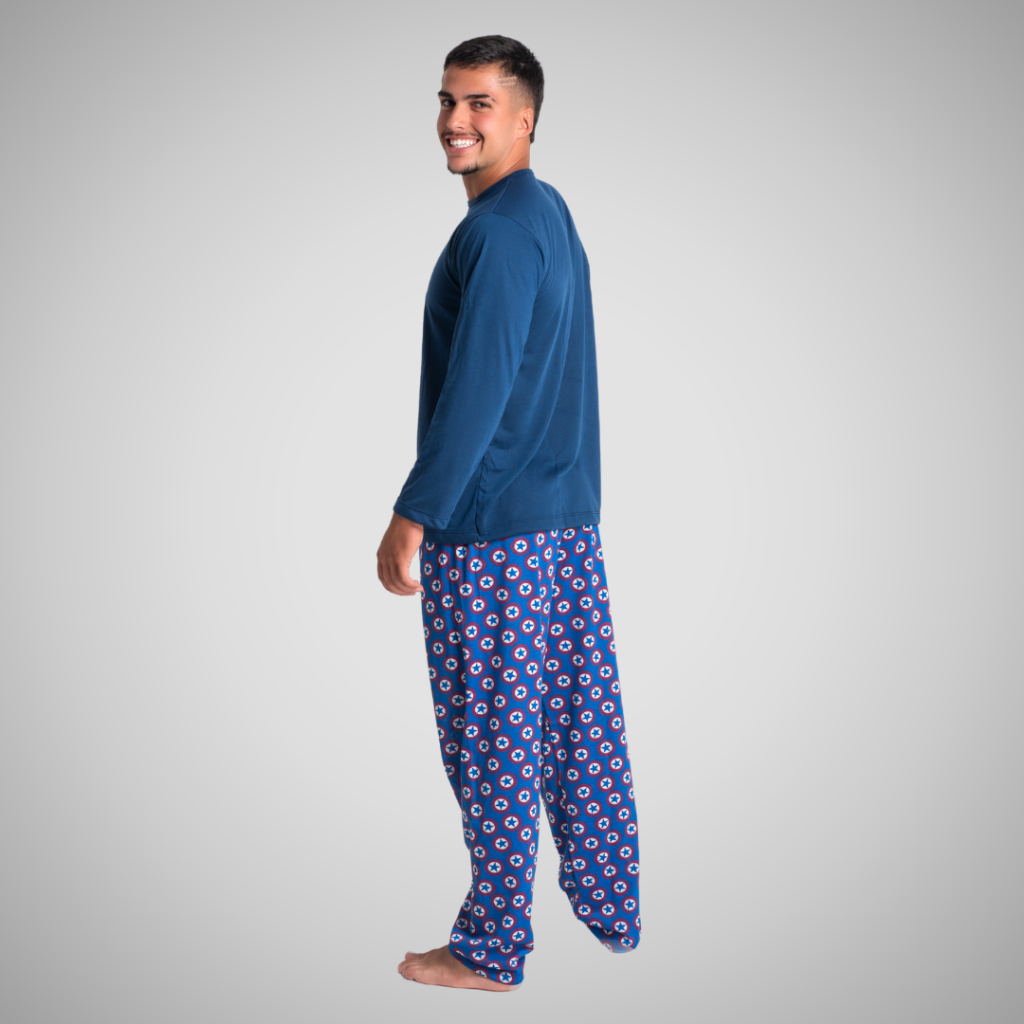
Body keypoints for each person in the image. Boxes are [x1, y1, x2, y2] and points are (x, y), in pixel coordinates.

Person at [376, 35, 641, 992]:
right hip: (563, 526)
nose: (455, 120)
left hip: (490, 534)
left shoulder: (495, 232)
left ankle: (491, 949)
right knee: (577, 729)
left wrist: (415, 513)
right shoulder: (545, 212)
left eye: (479, 104)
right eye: (447, 100)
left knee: (493, 742)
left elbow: (479, 388)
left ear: (524, 120)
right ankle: (614, 910)